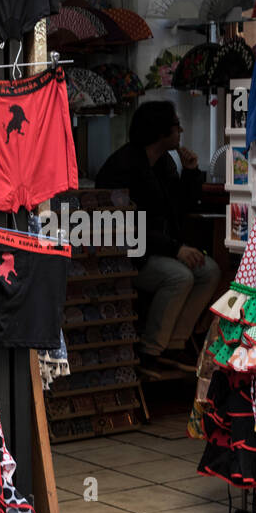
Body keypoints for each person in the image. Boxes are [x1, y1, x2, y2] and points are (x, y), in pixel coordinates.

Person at [96, 101, 221, 375]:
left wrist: (190, 173)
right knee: (180, 276)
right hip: (126, 255)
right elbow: (126, 226)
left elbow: (178, 207)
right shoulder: (123, 167)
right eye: (176, 125)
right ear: (160, 131)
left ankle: (175, 344)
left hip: (158, 249)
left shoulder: (163, 162)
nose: (182, 130)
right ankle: (150, 351)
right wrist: (175, 249)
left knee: (209, 270)